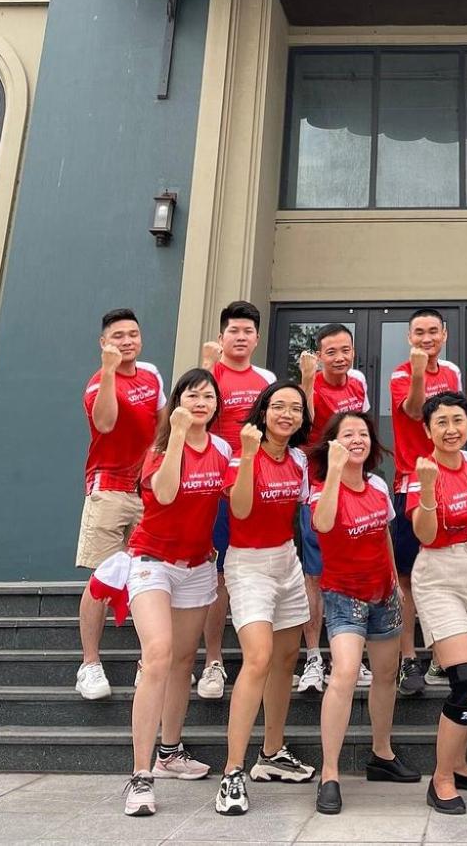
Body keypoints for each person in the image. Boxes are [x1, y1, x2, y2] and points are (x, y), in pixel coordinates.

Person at [122, 367, 230, 818]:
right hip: (152, 562)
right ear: (177, 403)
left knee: (184, 661)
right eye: (192, 395)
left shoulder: (222, 449)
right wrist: (179, 436)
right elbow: (164, 494)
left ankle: (169, 753)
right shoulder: (159, 450)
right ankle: (140, 774)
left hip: (198, 566)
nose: (200, 403)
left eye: (208, 397)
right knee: (159, 655)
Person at [214, 381, 316, 817]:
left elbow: (303, 510)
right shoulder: (242, 454)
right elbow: (238, 509)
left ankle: (272, 753)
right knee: (258, 658)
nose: (286, 414)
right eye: (278, 406)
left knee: (286, 658)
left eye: (295, 408)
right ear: (263, 410)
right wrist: (250, 454)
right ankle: (232, 771)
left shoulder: (298, 459)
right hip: (249, 565)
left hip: (286, 561)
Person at [309, 410, 420, 814]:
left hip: (383, 594)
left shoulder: (376, 485)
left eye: (363, 434)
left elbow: (385, 535)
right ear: (332, 443)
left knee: (386, 675)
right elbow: (322, 525)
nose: (357, 440)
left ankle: (382, 753)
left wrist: (395, 582)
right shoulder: (321, 488)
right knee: (344, 673)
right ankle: (330, 773)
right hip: (344, 596)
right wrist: (335, 472)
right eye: (347, 434)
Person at [408, 391, 467, 814]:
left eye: (458, 420)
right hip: (440, 574)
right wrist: (429, 489)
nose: (451, 429)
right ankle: (441, 778)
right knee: (466, 682)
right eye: (441, 422)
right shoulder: (420, 472)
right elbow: (425, 535)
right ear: (427, 429)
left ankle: (460, 763)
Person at [76, 308, 164, 700]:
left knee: (151, 575)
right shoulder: (98, 383)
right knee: (103, 577)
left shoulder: (151, 374)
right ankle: (89, 664)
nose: (127, 341)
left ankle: (151, 661)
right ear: (104, 343)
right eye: (118, 336)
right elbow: (106, 423)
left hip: (144, 490)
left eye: (133, 334)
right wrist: (110, 370)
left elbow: (162, 425)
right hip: (108, 487)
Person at [198, 301, 276, 702]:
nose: (241, 337)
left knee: (260, 569)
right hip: (215, 486)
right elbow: (195, 416)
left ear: (257, 338)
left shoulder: (267, 379)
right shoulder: (209, 374)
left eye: (248, 331)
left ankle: (262, 659)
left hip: (256, 485)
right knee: (219, 575)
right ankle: (213, 659)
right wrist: (207, 366)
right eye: (234, 330)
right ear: (222, 335)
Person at [388, 307, 463, 696]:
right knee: (407, 576)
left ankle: (440, 655)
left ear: (445, 335)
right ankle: (407, 657)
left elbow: (455, 423)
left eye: (433, 331)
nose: (427, 338)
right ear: (409, 337)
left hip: (449, 483)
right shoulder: (401, 374)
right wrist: (419, 373)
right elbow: (416, 411)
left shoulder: (451, 373)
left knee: (442, 571)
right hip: (411, 484)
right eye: (419, 332)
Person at [296, 323, 370, 693]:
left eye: (345, 350)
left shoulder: (358, 383)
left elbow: (361, 432)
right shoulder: (309, 385)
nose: (339, 358)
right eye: (331, 352)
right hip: (317, 489)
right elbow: (305, 423)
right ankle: (313, 656)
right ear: (319, 355)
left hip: (353, 490)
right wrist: (308, 381)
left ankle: (351, 656)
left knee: (353, 571)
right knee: (315, 575)